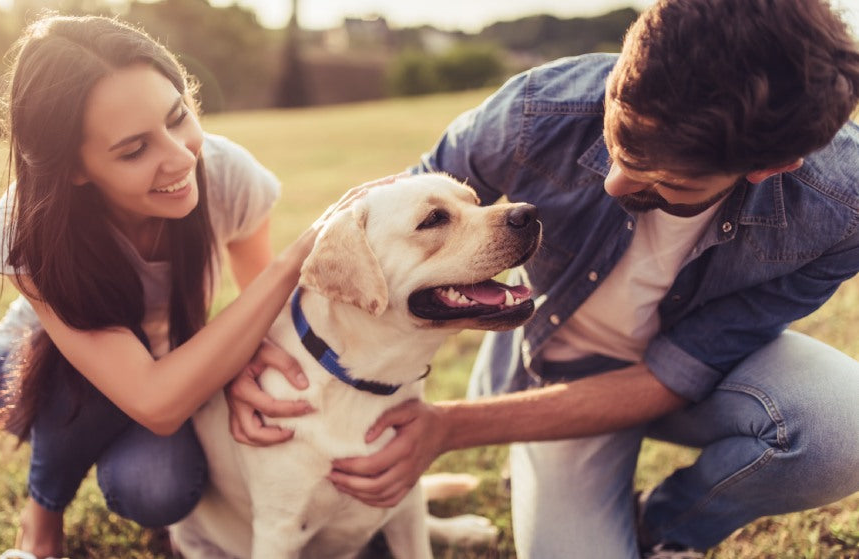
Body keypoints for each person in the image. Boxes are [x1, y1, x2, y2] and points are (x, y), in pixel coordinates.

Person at [232, 1, 859, 557]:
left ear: (769, 167)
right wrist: (255, 349)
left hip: (699, 377)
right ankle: (567, 489)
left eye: (668, 183)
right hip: (551, 366)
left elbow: (681, 371)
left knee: (844, 426)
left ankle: (666, 526)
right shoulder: (541, 107)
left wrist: (449, 427)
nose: (616, 185)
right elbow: (384, 214)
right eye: (617, 143)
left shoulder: (841, 207)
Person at [0, 14, 352, 558]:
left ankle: (100, 451)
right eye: (133, 150)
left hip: (157, 368)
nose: (180, 157)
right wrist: (296, 257)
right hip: (30, 377)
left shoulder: (225, 173)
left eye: (179, 118)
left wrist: (239, 376)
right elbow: (154, 400)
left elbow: (269, 324)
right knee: (103, 385)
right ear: (73, 168)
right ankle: (41, 521)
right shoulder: (25, 224)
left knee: (157, 488)